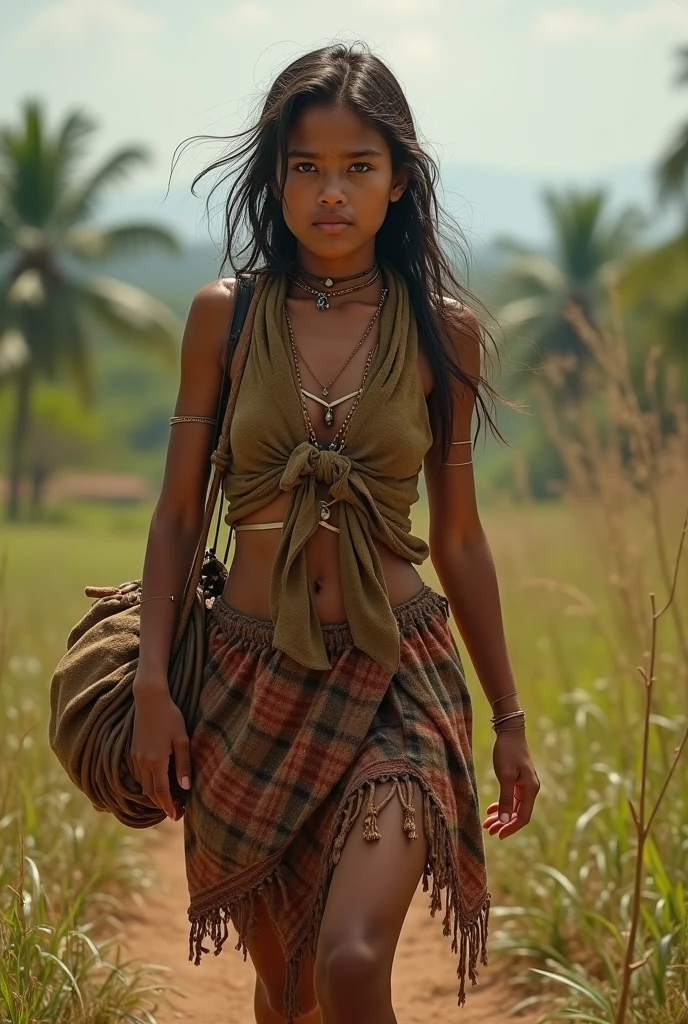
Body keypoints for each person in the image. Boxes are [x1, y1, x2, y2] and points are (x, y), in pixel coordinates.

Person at [131, 40, 540, 1024]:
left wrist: (511, 717)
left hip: (397, 671)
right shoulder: (223, 318)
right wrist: (152, 682)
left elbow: (461, 536)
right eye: (306, 166)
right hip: (245, 679)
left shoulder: (445, 331)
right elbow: (181, 512)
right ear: (276, 177)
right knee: (288, 987)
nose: (331, 191)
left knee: (351, 966)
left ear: (398, 182)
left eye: (359, 166)